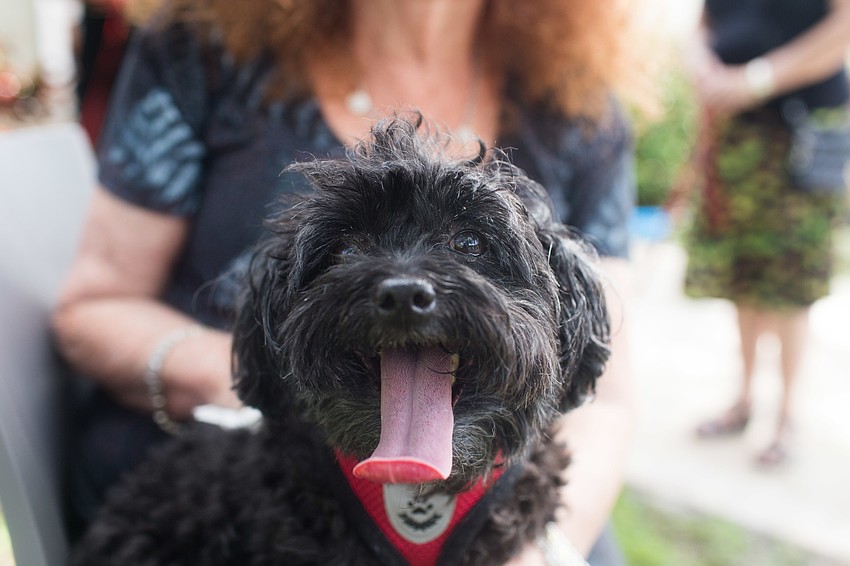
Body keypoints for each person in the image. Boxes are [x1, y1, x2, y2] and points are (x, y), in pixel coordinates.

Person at [52, 0, 649, 562]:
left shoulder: (579, 106)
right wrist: (264, 378)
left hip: (515, 509)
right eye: (346, 247)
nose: (405, 283)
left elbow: (607, 394)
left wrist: (533, 552)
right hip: (227, 467)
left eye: (469, 244)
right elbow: (94, 303)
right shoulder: (201, 50)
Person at [683, 0, 850, 467]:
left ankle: (787, 417)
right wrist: (700, 62)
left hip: (801, 131)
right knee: (743, 275)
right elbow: (706, 20)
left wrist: (758, 78)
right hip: (735, 130)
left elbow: (844, 25)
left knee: (790, 284)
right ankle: (744, 399)